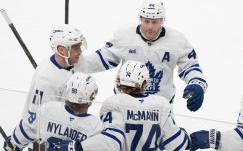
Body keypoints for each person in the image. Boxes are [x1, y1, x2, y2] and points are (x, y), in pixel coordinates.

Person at [88, 0, 207, 112]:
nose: (150, 27)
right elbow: (103, 58)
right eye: (146, 21)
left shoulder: (177, 40)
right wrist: (77, 64)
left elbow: (190, 66)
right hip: (125, 105)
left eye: (154, 22)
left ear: (162, 20)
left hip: (160, 109)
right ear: (140, 19)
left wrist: (197, 83)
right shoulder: (124, 35)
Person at [49, 60, 190, 151]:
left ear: (119, 82)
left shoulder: (114, 103)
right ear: (145, 83)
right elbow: (178, 144)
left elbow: (112, 142)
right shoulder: (161, 104)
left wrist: (76, 147)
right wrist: (187, 136)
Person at [4, 73, 119, 151]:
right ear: (92, 97)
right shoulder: (96, 126)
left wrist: (12, 144)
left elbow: (20, 136)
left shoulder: (47, 110)